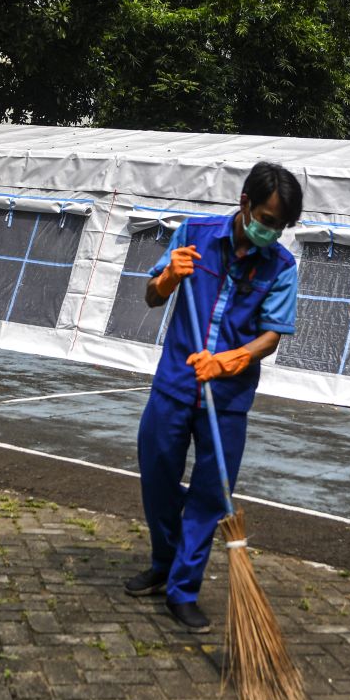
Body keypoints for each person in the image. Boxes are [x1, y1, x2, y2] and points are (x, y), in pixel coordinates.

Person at [125, 162, 303, 633]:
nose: (271, 231)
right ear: (245, 203)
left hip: (228, 396)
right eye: (266, 219)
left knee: (209, 493)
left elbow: (272, 336)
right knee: (157, 473)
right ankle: (165, 561)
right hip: (175, 382)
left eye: (280, 226)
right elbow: (151, 295)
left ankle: (183, 589)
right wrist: (167, 278)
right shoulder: (194, 232)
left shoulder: (282, 267)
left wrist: (230, 360)